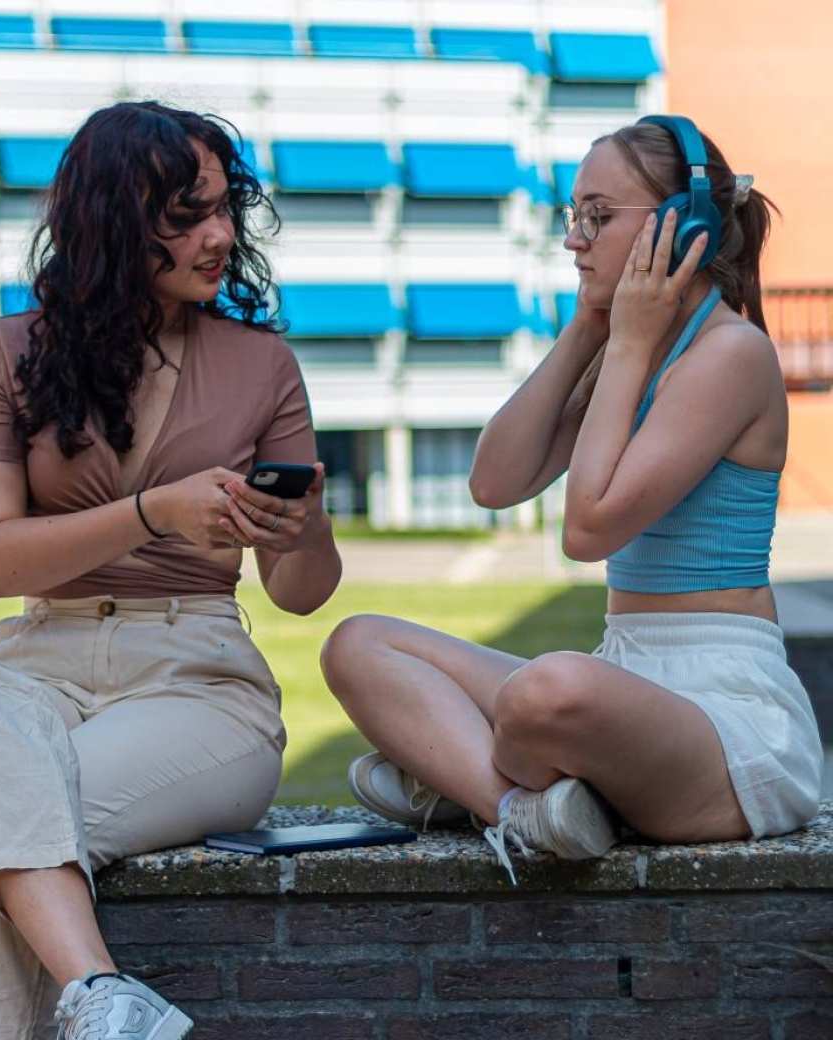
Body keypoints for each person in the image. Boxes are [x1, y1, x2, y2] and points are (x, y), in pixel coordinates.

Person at [0, 101, 341, 1039]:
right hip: (37, 663)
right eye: (187, 215)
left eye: (226, 208)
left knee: (7, 837)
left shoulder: (263, 365)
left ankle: (103, 1002)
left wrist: (297, 528)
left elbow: (301, 595)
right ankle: (102, 994)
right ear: (110, 220)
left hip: (199, 680)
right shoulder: (2, 354)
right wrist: (153, 511)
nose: (219, 235)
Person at [320, 114, 823, 884]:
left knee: (545, 690)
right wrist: (591, 332)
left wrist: (623, 343)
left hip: (726, 720)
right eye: (573, 215)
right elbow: (495, 482)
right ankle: (528, 809)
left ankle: (464, 782)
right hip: (623, 679)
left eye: (597, 215)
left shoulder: (732, 355)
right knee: (357, 644)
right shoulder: (627, 348)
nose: (573, 239)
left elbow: (586, 529)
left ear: (679, 225)